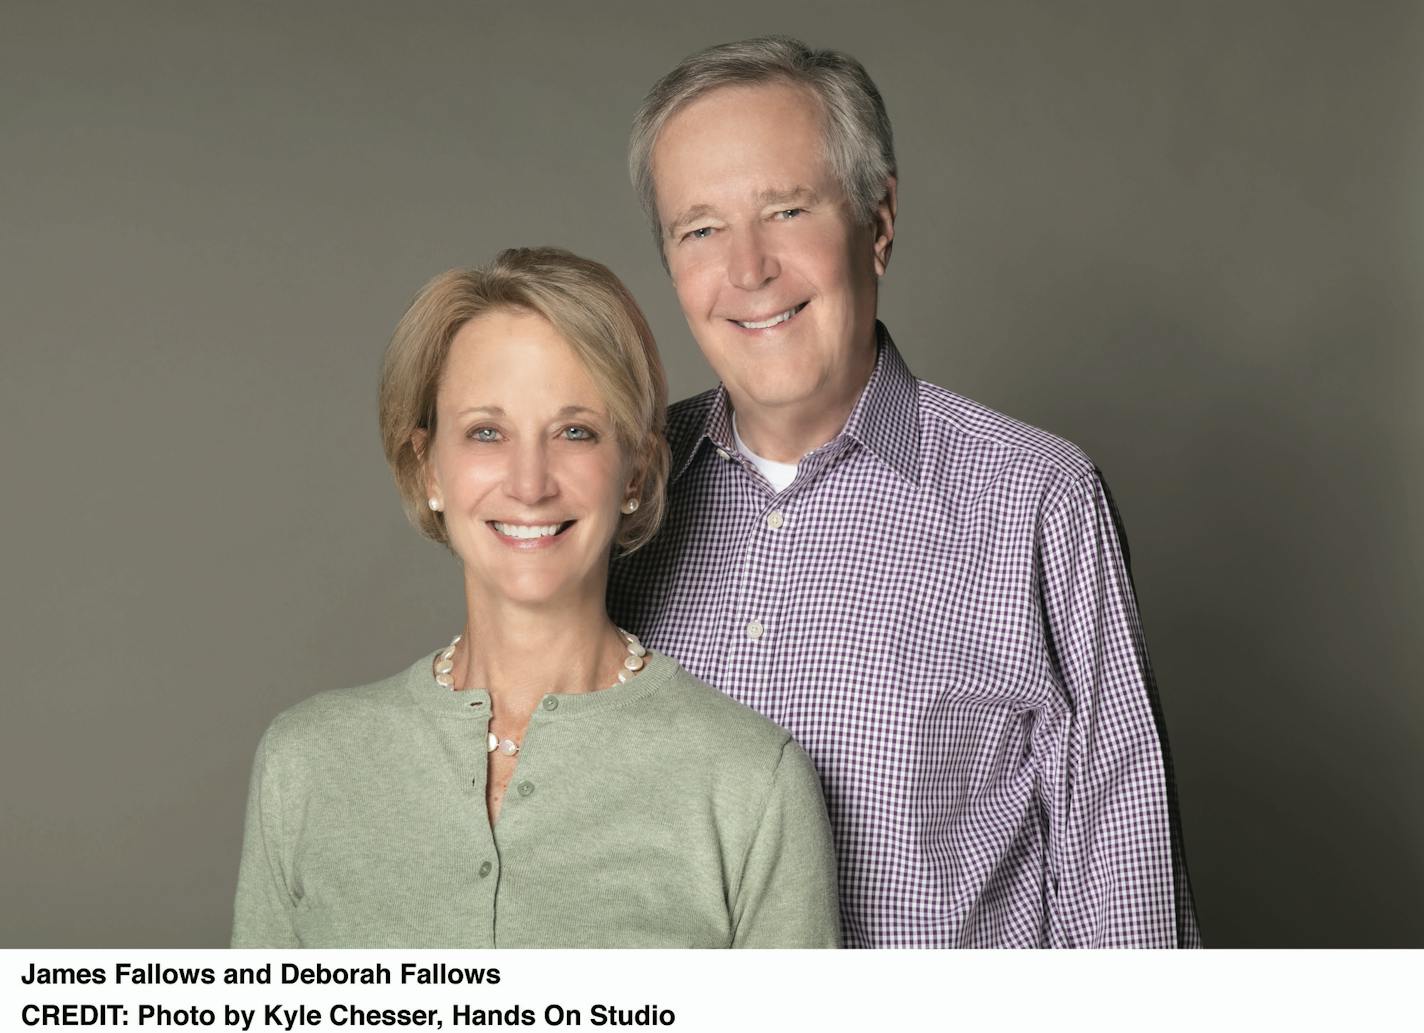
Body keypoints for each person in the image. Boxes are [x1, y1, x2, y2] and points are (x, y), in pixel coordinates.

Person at [609, 37, 1201, 948]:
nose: (749, 269)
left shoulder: (1038, 501)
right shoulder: (617, 494)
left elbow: (1126, 900)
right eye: (701, 229)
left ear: (877, 221)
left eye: (787, 210)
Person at [231, 247, 839, 948]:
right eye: (486, 431)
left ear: (635, 471)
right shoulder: (305, 765)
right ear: (428, 466)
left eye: (575, 431)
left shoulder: (749, 785)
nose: (530, 482)